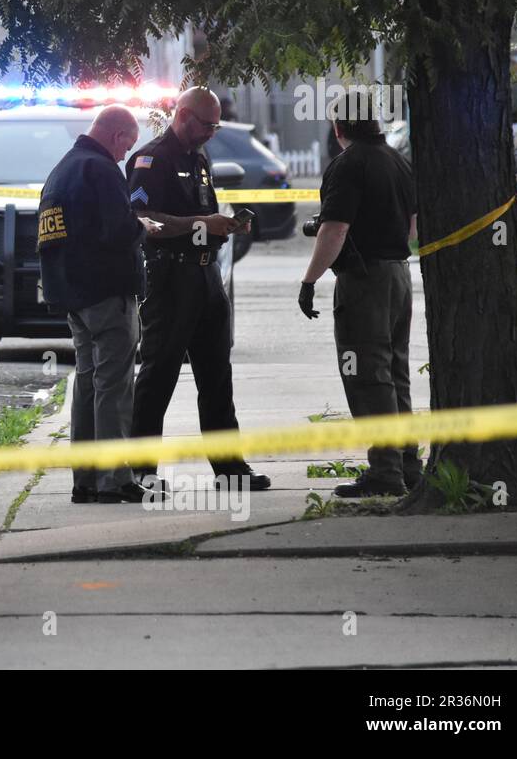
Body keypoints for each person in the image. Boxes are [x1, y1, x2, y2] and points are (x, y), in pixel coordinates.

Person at [124, 87, 271, 490]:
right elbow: (142, 218)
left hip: (206, 277)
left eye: (216, 125)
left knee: (217, 376)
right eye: (206, 124)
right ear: (184, 116)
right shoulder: (151, 159)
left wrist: (226, 224)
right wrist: (201, 224)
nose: (211, 132)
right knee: (159, 375)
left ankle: (230, 470)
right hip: (171, 279)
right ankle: (140, 471)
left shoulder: (200, 158)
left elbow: (202, 212)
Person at [38, 105, 164, 504]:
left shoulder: (61, 170)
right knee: (114, 385)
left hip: (73, 296)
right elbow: (117, 229)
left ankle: (86, 479)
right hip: (107, 294)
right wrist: (142, 226)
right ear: (114, 135)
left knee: (88, 384)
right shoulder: (102, 169)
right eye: (127, 144)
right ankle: (115, 479)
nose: (126, 154)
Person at [299, 97, 419, 497]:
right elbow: (412, 227)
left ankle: (385, 473)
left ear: (338, 129)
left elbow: (335, 230)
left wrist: (309, 280)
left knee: (368, 376)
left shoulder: (348, 165)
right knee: (395, 372)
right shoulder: (398, 161)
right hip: (399, 275)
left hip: (364, 280)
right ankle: (407, 464)